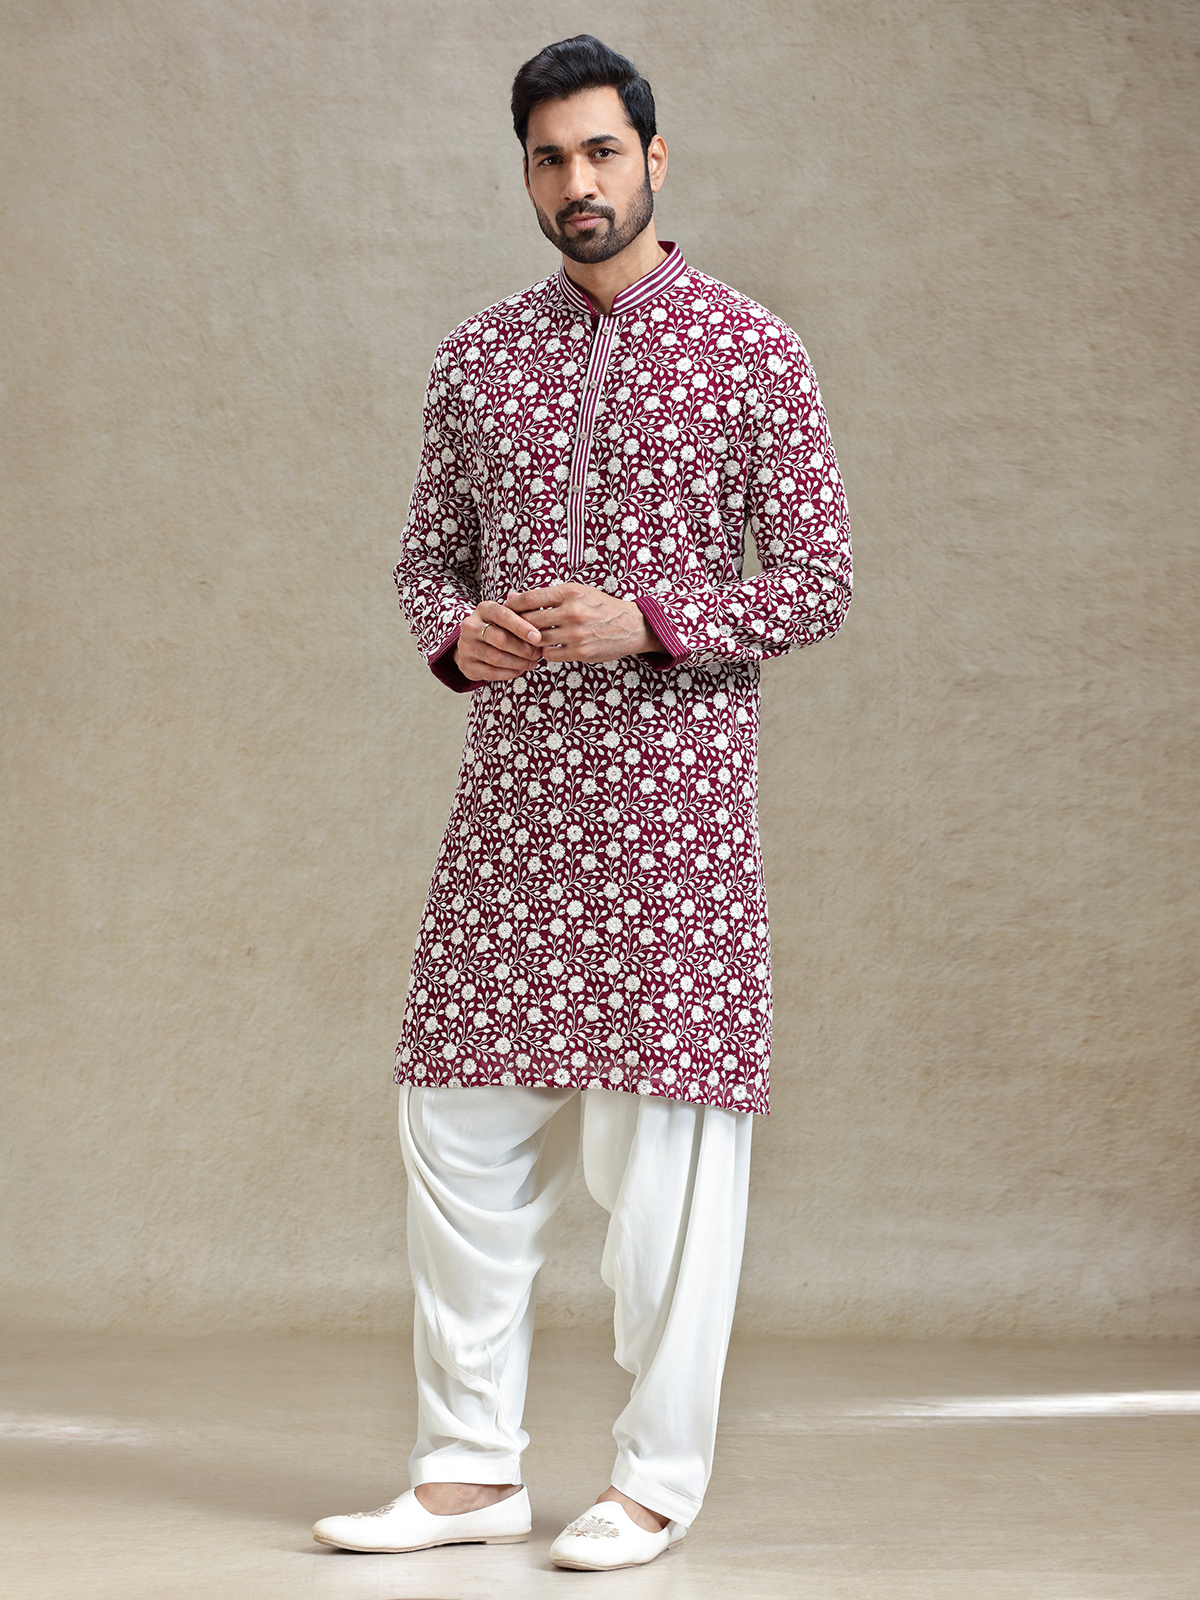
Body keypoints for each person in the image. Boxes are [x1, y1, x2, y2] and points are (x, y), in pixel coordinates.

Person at [312, 33, 851, 1572]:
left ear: (654, 159)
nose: (578, 182)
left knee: (667, 1167)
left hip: (674, 824)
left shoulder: (752, 351)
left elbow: (818, 579)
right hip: (515, 819)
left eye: (603, 151)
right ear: (528, 174)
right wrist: (455, 636)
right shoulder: (479, 357)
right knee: (456, 1126)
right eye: (550, 159)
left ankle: (654, 1482)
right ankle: (468, 1471)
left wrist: (652, 618)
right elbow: (426, 558)